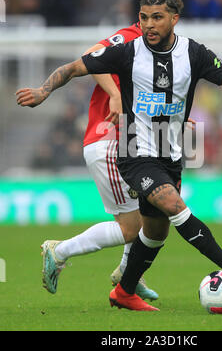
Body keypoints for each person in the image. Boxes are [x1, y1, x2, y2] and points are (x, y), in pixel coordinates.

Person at [16, 0, 222, 311]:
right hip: (135, 153)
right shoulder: (127, 52)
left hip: (170, 154)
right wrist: (44, 90)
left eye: (157, 18)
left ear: (174, 18)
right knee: (175, 207)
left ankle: (125, 291)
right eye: (144, 17)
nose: (149, 25)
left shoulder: (194, 53)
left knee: (154, 233)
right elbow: (74, 67)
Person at [16, 22, 159, 301]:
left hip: (130, 142)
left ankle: (128, 274)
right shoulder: (131, 37)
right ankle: (59, 252)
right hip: (109, 141)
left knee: (150, 211)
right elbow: (92, 55)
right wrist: (115, 95)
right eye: (152, 17)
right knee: (132, 227)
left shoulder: (158, 52)